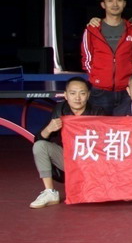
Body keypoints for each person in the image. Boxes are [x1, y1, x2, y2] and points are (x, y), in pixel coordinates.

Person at [29, 77, 104, 208]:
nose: (77, 98)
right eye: (73, 93)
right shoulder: (60, 110)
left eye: (82, 93)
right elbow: (38, 139)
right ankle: (49, 192)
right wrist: (49, 129)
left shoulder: (98, 112)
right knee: (40, 146)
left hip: (93, 162)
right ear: (65, 95)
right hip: (68, 159)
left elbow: (106, 142)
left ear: (88, 95)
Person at [82, 0, 132, 115]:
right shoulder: (92, 30)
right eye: (110, 0)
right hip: (100, 90)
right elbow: (87, 58)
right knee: (100, 124)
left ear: (124, 3)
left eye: (119, 0)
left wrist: (129, 79)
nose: (115, 4)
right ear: (103, 5)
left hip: (126, 89)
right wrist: (97, 77)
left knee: (125, 125)